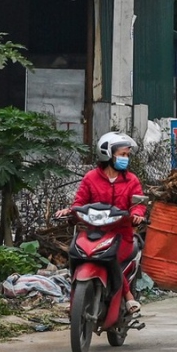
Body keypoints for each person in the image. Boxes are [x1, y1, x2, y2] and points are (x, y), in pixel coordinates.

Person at [56, 132, 146, 313]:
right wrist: (70, 211)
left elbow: (139, 205)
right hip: (93, 233)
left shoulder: (131, 180)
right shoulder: (91, 178)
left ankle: (128, 297)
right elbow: (79, 203)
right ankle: (75, 300)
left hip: (122, 236)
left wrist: (137, 214)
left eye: (127, 155)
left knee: (110, 258)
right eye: (122, 154)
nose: (125, 158)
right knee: (75, 255)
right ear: (108, 154)